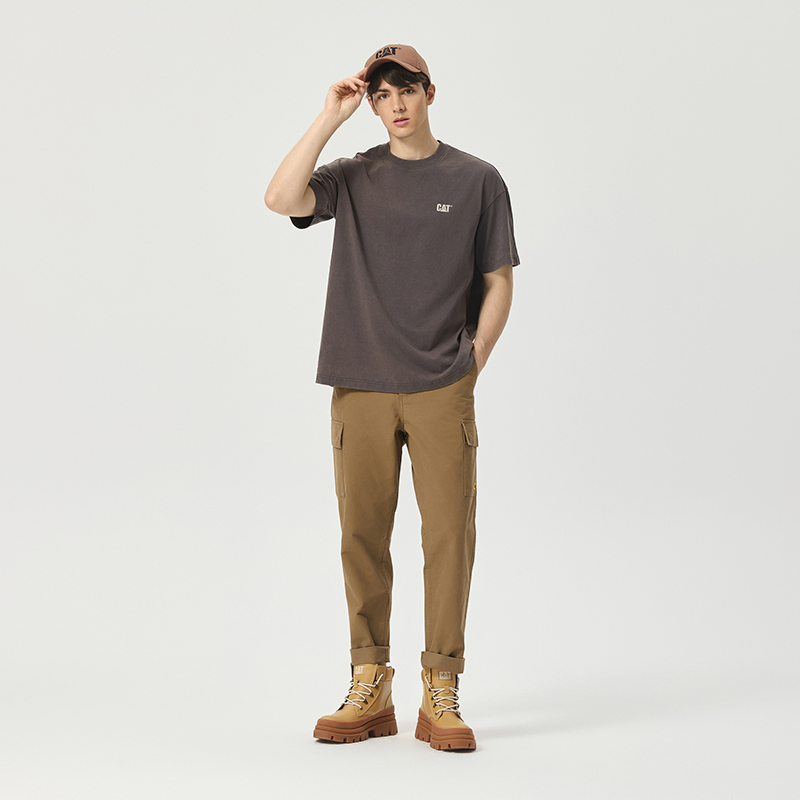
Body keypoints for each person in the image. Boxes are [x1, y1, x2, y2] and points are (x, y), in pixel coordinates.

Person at [264, 44, 519, 751]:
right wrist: (330, 117)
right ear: (371, 104)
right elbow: (280, 199)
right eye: (381, 94)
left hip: (442, 386)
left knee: (449, 538)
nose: (395, 103)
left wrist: (472, 362)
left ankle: (441, 689)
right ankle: (370, 683)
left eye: (406, 88)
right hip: (361, 385)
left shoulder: (477, 179)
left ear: (430, 92)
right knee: (361, 536)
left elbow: (498, 279)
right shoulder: (353, 175)